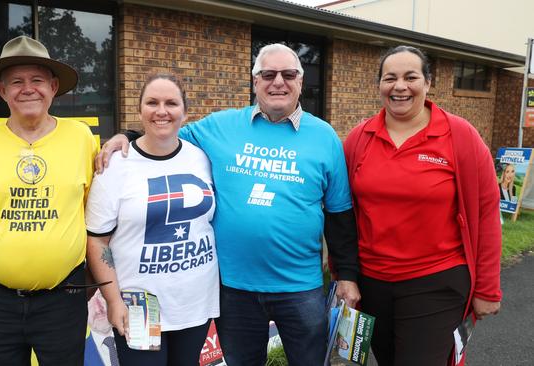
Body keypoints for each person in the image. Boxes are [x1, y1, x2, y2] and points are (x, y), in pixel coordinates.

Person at [98, 44, 360, 366]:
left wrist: (346, 275)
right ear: (254, 82)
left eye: (288, 74)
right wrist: (124, 135)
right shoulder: (219, 127)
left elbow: (339, 214)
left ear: (301, 82)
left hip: (300, 288)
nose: (278, 82)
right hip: (233, 290)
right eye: (268, 74)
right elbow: (164, 132)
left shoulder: (325, 137)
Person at [0, 35, 98, 365]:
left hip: (63, 300)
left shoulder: (82, 138)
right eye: (16, 81)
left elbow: (96, 218)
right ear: (2, 91)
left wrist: (123, 139)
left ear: (53, 86)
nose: (28, 89)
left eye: (37, 80)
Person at [343, 45, 502, 366]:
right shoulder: (359, 139)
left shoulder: (459, 136)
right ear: (379, 86)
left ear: (428, 83)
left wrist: (488, 288)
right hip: (373, 283)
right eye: (390, 78)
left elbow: (486, 212)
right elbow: (342, 212)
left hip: (437, 280)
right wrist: (343, 274)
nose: (399, 86)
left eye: (410, 77)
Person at [86, 73, 219, 365]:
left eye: (171, 103)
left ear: (185, 111)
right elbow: (97, 240)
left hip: (194, 302)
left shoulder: (202, 158)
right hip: (139, 305)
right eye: (152, 102)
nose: (161, 111)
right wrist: (112, 299)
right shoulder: (115, 166)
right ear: (140, 109)